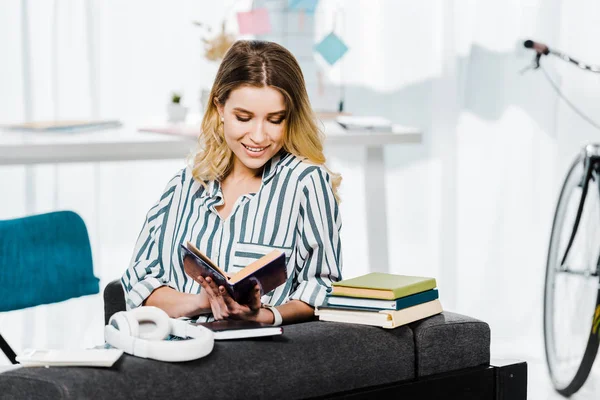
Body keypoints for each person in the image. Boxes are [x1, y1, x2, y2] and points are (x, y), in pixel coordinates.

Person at [121, 40, 342, 326]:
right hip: (170, 350)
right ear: (220, 108)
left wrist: (264, 315)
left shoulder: (306, 183)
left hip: (250, 357)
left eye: (275, 120)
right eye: (243, 118)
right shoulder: (184, 185)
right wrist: (201, 303)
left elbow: (321, 290)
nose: (259, 136)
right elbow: (138, 285)